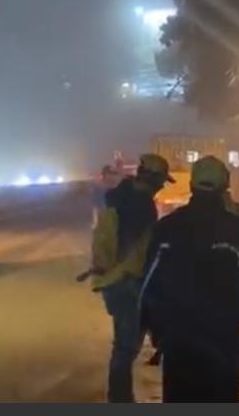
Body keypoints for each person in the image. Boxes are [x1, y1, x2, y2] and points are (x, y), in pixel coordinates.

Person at [139, 155, 239, 403]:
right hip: (222, 339)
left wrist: (149, 324)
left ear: (191, 185)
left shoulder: (168, 228)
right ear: (225, 187)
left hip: (178, 339)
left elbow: (149, 281)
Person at [89, 153, 174, 403]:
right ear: (153, 178)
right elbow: (139, 251)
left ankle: (120, 397)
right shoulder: (139, 205)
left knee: (124, 346)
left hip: (112, 279)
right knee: (126, 348)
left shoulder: (119, 197)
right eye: (160, 181)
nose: (161, 187)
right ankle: (120, 399)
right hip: (128, 281)